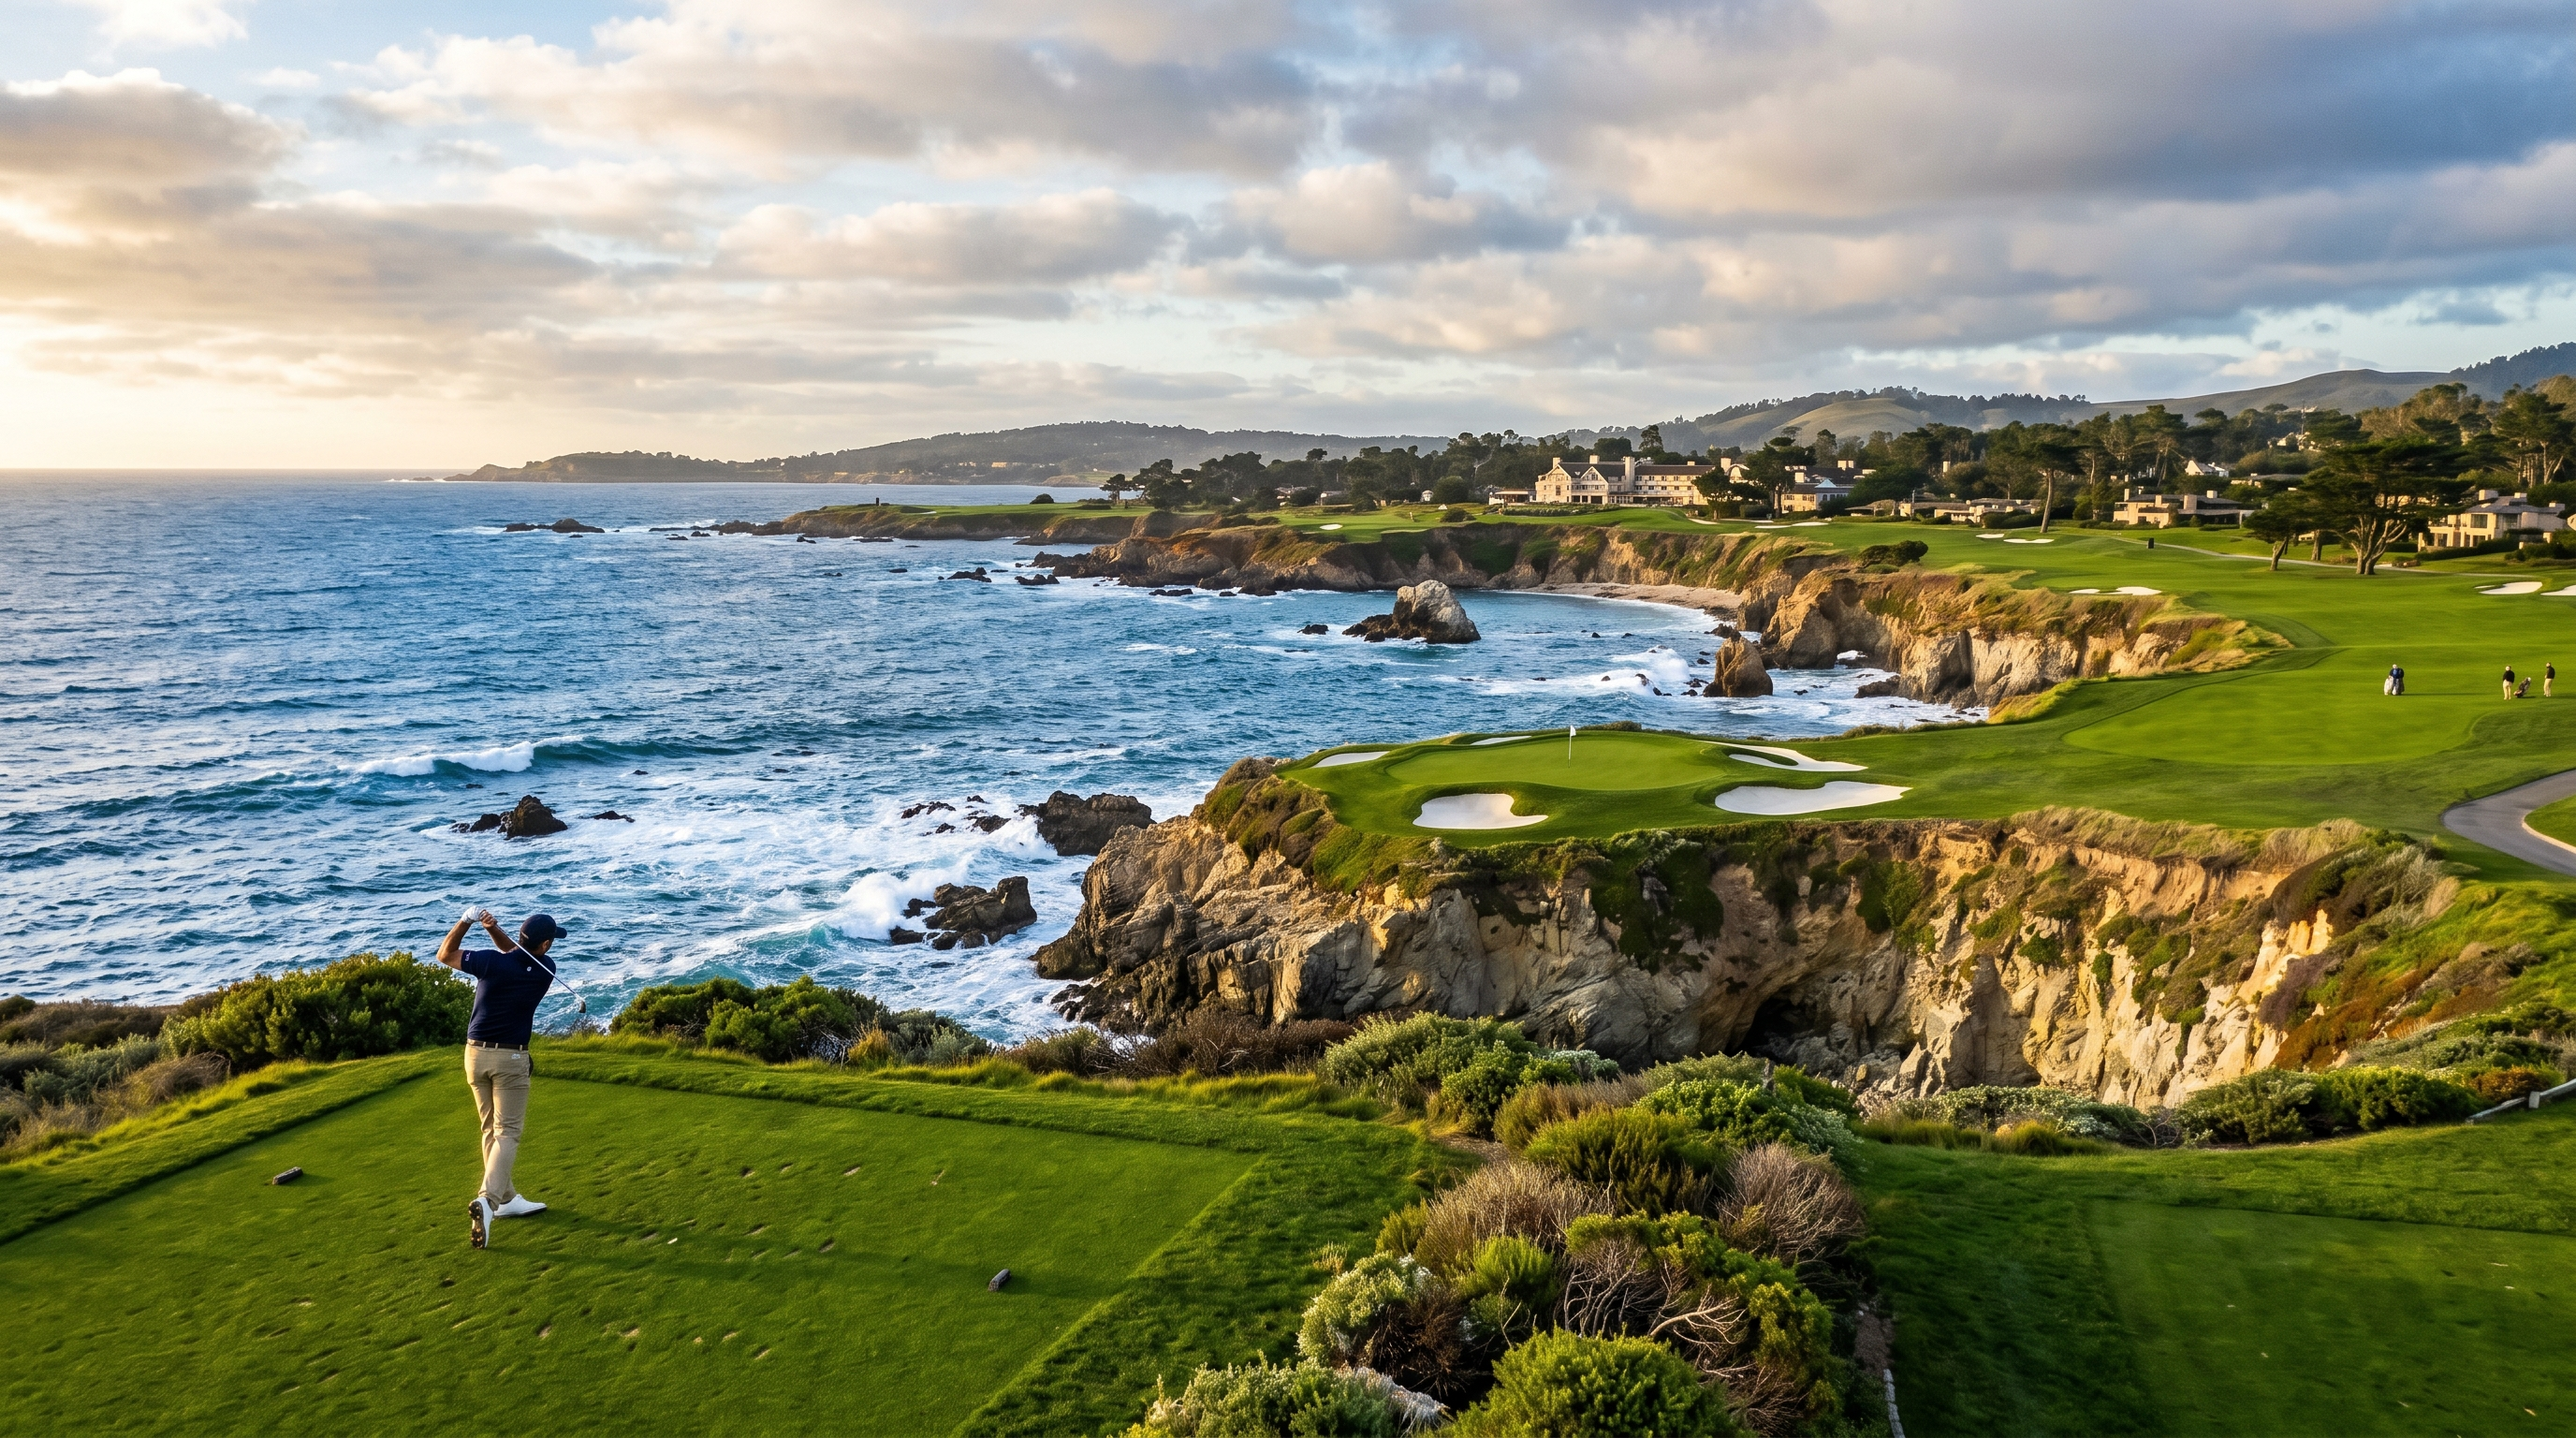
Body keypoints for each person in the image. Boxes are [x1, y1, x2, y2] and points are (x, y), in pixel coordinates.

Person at [436, 908, 566, 1248]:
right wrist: (495, 931)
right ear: (547, 944)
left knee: (489, 1128)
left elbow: (445, 954)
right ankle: (488, 1200)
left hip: (474, 1055)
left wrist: (465, 921)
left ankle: (507, 1200)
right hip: (511, 1058)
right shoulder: (545, 970)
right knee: (508, 1132)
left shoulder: (490, 962)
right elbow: (521, 957)